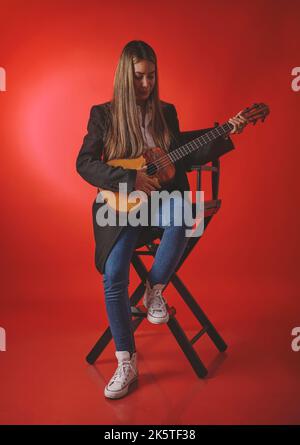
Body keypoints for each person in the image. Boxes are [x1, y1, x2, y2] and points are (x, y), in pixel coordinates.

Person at [76, 40, 247, 399]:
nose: (146, 84)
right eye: (139, 77)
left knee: (183, 209)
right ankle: (126, 360)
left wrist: (225, 131)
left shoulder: (166, 113)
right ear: (126, 76)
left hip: (161, 203)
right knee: (114, 274)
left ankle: (155, 291)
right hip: (120, 206)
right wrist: (129, 179)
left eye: (152, 76)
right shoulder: (103, 114)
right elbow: (85, 163)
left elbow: (180, 156)